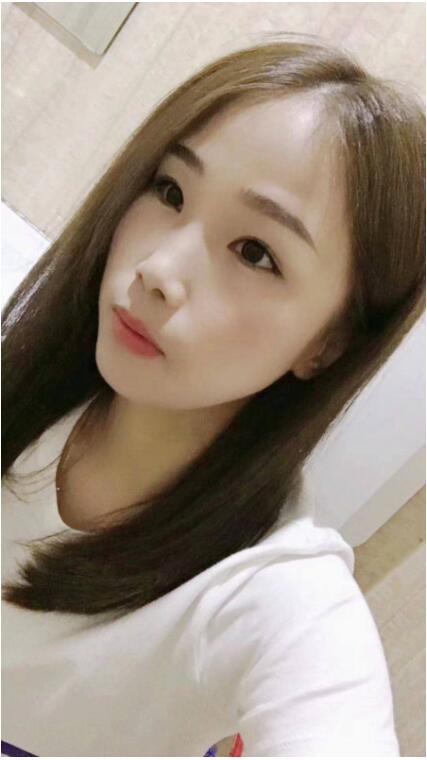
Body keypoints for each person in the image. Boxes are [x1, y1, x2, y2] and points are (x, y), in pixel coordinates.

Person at [2, 31, 424, 757]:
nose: (159, 268)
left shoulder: (273, 597)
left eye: (255, 253)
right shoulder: (27, 388)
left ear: (328, 344)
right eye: (169, 191)